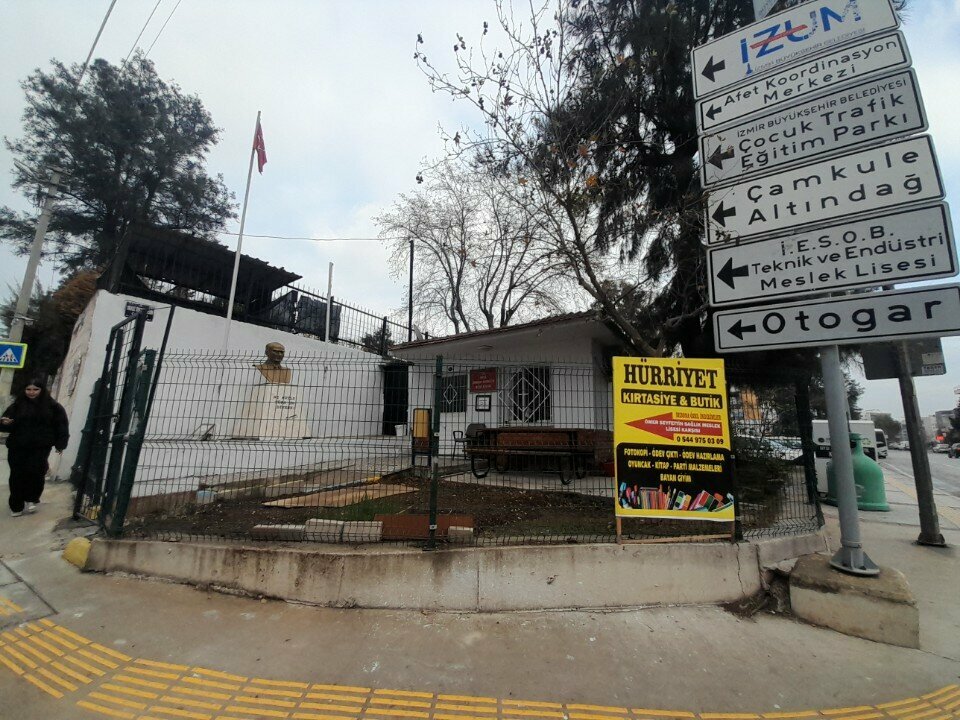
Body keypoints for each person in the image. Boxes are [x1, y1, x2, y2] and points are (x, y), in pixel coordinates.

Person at [1, 378, 69, 517]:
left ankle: (31, 498)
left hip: (40, 447)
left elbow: (61, 426)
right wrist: (4, 423)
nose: (31, 392)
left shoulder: (53, 407)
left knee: (36, 473)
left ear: (42, 390)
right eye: (28, 389)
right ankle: (16, 505)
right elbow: (6, 424)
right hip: (18, 446)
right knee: (17, 474)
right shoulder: (17, 406)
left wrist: (60, 444)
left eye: (35, 389)